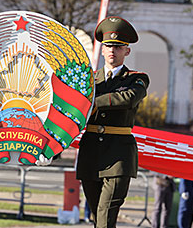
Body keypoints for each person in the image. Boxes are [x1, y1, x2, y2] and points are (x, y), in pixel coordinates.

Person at [76, 16, 150, 228]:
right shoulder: (89, 79)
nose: (112, 51)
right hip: (90, 152)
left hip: (118, 155)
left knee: (106, 213)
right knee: (97, 217)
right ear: (101, 49)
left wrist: (93, 102)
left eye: (118, 47)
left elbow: (128, 98)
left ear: (127, 51)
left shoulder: (136, 78)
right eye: (108, 46)